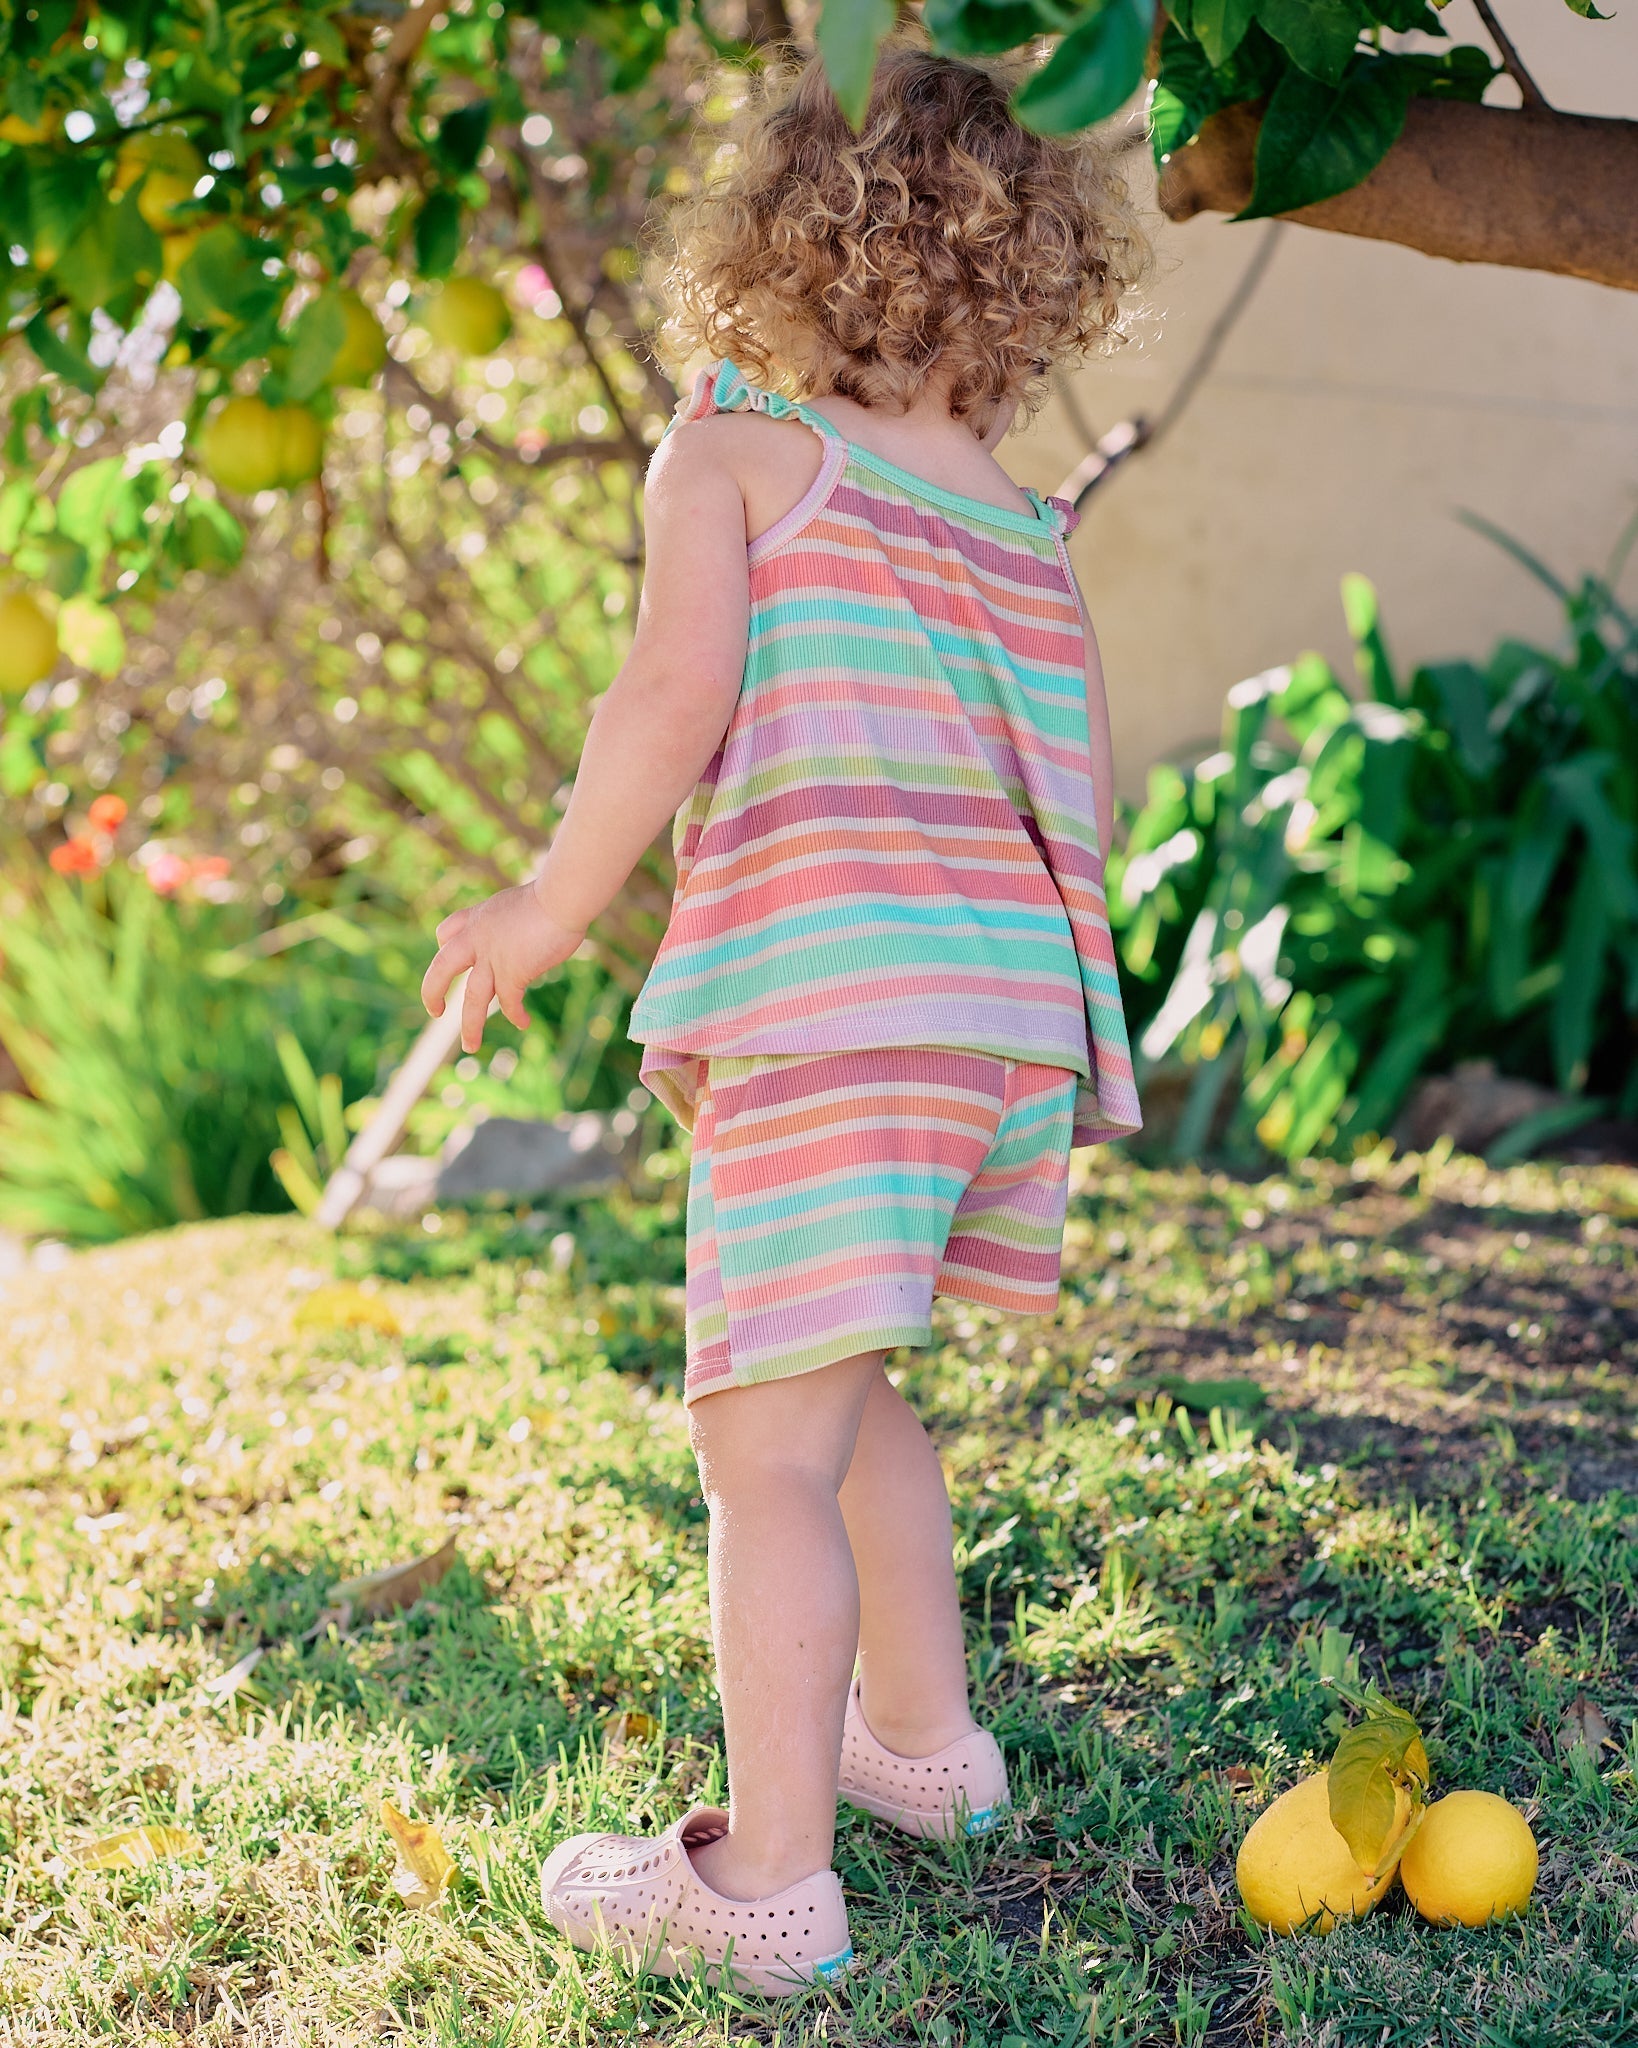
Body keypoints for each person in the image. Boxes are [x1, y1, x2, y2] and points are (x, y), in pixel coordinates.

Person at [419, 28, 1150, 2000]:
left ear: (778, 242)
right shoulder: (1016, 524)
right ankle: (922, 1749)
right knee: (852, 1385)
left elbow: (664, 706)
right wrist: (1076, 1041)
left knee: (759, 1450)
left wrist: (545, 906)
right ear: (1030, 280)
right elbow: (1067, 783)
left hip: (841, 1007)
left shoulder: (739, 455)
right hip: (994, 1020)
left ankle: (765, 1877)